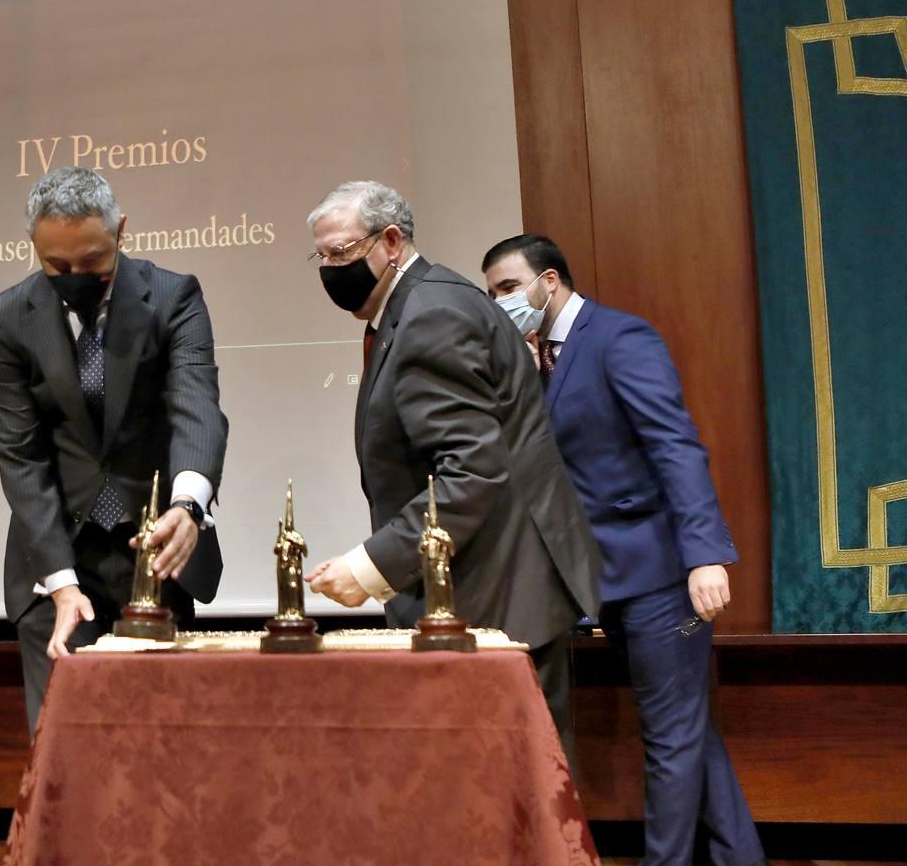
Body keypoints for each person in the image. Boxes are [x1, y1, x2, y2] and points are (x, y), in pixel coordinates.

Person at [482, 234, 765, 866]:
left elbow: (675, 445)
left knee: (670, 737)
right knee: (689, 731)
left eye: (506, 287)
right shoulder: (538, 359)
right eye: (492, 292)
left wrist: (703, 555)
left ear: (548, 281)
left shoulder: (619, 338)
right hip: (602, 578)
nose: (498, 302)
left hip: (662, 572)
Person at [304, 182, 601, 761]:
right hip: (489, 588)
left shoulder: (431, 313)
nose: (331, 269)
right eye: (323, 257)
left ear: (391, 242)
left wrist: (369, 568)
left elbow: (472, 471)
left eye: (342, 252)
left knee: (509, 799)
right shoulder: (418, 304)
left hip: (494, 596)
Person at [0, 167, 228, 736]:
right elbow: (21, 456)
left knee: (164, 748)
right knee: (65, 753)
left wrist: (189, 507)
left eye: (91, 261)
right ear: (34, 247)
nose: (74, 277)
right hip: (57, 562)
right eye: (56, 266)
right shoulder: (8, 316)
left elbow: (197, 406)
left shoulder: (172, 296)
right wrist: (62, 582)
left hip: (156, 550)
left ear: (121, 230)